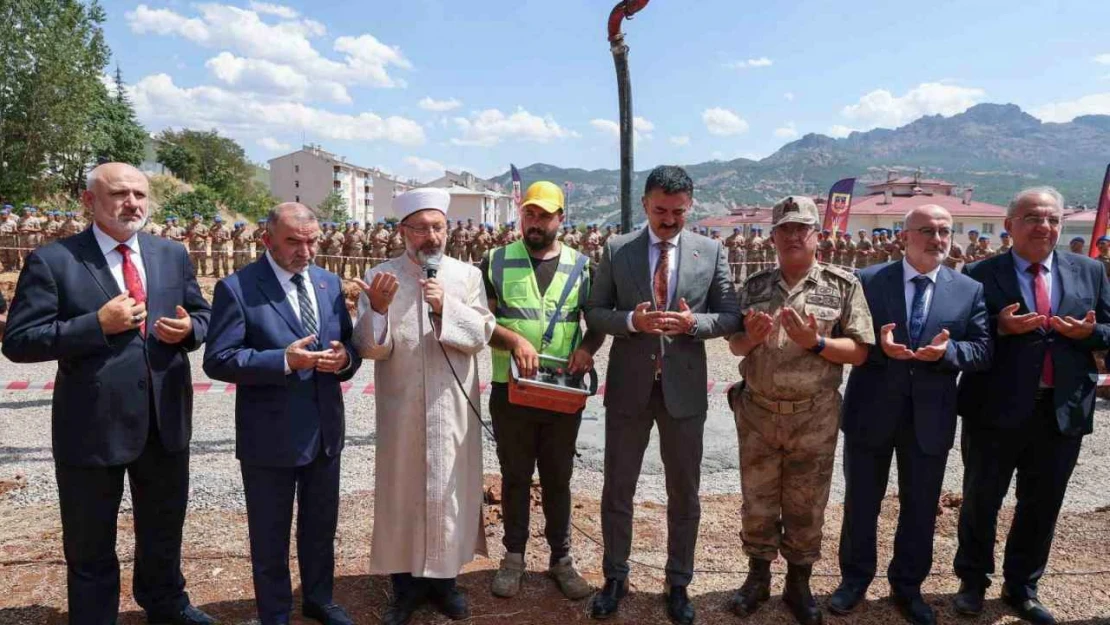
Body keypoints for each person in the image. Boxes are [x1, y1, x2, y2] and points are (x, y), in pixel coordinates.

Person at [1, 163, 214, 625]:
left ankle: (166, 602)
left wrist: (190, 329)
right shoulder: (54, 260)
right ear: (89, 201)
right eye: (120, 193)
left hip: (164, 419)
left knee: (163, 527)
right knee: (89, 537)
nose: (133, 203)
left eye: (140, 193)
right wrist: (94, 325)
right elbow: (19, 341)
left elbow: (203, 315)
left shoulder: (171, 254)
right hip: (92, 426)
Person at [585, 166, 741, 625]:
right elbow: (595, 312)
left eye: (677, 211)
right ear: (645, 205)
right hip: (630, 389)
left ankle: (678, 583)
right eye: (660, 211)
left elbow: (731, 315)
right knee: (618, 488)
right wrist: (632, 322)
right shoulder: (618, 250)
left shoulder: (710, 252)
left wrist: (695, 324)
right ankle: (615, 577)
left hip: (684, 393)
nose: (669, 219)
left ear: (690, 206)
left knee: (684, 493)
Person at [953, 187, 1110, 624]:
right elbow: (964, 336)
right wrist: (999, 328)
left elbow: (1109, 328)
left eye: (1052, 219)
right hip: (995, 407)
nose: (1044, 227)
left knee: (1042, 503)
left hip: (1061, 409)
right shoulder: (978, 273)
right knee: (982, 499)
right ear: (1009, 226)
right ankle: (972, 582)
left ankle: (1022, 587)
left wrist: (1088, 335)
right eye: (1032, 218)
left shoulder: (1090, 271)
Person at [831, 205, 991, 625]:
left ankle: (908, 587)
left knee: (920, 507)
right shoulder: (866, 281)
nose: (938, 239)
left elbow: (981, 348)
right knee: (861, 503)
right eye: (927, 231)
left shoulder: (968, 289)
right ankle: (854, 580)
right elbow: (844, 338)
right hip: (872, 411)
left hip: (930, 418)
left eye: (945, 231)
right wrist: (876, 348)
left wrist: (948, 353)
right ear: (905, 237)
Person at [203, 202, 362, 625]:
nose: (305, 251)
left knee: (320, 527)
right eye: (294, 241)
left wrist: (345, 358)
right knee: (270, 535)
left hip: (325, 431)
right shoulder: (238, 288)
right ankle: (274, 612)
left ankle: (319, 599)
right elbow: (218, 359)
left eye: (312, 241)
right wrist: (284, 361)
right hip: (269, 437)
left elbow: (349, 349)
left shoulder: (328, 284)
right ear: (266, 239)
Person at [351, 188, 495, 625]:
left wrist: (444, 306)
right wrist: (376, 310)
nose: (431, 236)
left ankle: (446, 584)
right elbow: (370, 350)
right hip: (402, 409)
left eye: (438, 227)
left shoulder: (466, 276)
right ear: (403, 232)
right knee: (403, 492)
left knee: (448, 493)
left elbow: (481, 334)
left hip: (452, 407)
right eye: (421, 228)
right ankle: (404, 589)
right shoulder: (381, 276)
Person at [726, 196, 873, 625]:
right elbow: (734, 345)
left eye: (801, 228)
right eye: (784, 229)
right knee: (757, 501)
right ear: (772, 237)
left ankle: (799, 582)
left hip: (815, 416)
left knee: (806, 504)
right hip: (757, 413)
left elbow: (861, 352)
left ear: (817, 235)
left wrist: (818, 343)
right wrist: (750, 339)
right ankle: (757, 578)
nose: (793, 236)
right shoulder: (754, 286)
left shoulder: (842, 285)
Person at [482, 182, 602, 601]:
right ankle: (513, 559)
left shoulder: (583, 266)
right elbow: (482, 321)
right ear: (521, 215)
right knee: (515, 476)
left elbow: (597, 323)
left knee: (558, 477)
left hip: (561, 392)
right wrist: (514, 341)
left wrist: (587, 349)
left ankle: (561, 561)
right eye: (530, 214)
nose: (535, 222)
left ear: (559, 219)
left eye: (544, 215)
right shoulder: (494, 261)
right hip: (511, 391)